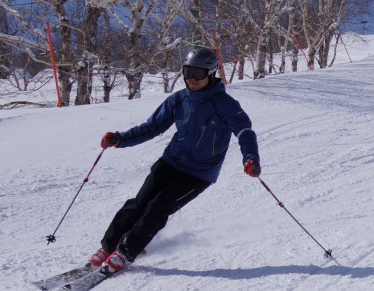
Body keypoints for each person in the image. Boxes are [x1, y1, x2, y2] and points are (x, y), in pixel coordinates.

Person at [88, 47, 260, 274]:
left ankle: (126, 251)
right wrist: (120, 140)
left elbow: (245, 131)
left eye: (198, 74)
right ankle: (109, 246)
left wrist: (251, 158)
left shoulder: (224, 103)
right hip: (171, 162)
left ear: (210, 74)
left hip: (198, 174)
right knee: (139, 203)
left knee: (157, 208)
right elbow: (151, 127)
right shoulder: (179, 99)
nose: (191, 79)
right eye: (187, 72)